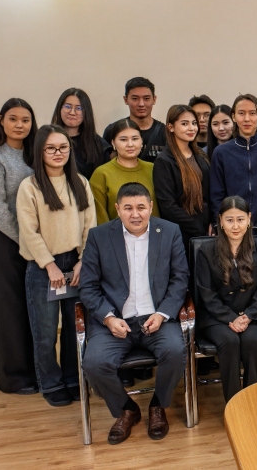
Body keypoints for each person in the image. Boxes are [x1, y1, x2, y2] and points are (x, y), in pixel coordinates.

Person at [79, 182, 188, 444]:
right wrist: (108, 318)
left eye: (141, 207)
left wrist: (162, 314)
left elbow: (180, 279)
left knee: (175, 351)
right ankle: (127, 409)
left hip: (157, 319)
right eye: (128, 208)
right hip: (115, 322)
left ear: (151, 207)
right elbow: (88, 287)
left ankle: (158, 404)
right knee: (94, 363)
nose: (135, 214)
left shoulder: (170, 231)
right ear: (118, 209)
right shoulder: (99, 236)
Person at [16, 124, 96, 407]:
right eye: (51, 148)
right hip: (43, 267)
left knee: (76, 329)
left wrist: (84, 260)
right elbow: (29, 231)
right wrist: (49, 265)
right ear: (40, 151)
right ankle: (50, 383)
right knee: (45, 332)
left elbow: (90, 225)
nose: (58, 153)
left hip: (75, 264)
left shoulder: (80, 182)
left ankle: (74, 379)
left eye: (63, 147)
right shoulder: (30, 187)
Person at [0, 98, 38, 395]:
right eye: (13, 119)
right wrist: (25, 239)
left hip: (34, 240)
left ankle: (37, 370)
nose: (19, 125)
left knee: (33, 308)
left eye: (25, 120)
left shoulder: (34, 155)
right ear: (2, 120)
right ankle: (14, 377)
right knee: (10, 309)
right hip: (7, 240)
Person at [195, 196, 257, 401]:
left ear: (249, 219)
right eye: (229, 220)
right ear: (220, 220)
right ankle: (234, 403)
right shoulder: (206, 251)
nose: (235, 226)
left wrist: (249, 316)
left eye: (240, 219)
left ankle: (253, 401)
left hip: (251, 313)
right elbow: (206, 293)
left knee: (252, 341)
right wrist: (230, 318)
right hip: (217, 316)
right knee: (229, 341)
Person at [209, 93, 257, 251]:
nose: (247, 119)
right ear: (234, 116)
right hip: (233, 231)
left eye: (252, 113)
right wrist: (220, 226)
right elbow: (216, 194)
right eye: (241, 113)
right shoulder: (222, 153)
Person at [153, 105, 211, 256]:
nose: (191, 128)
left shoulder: (200, 155)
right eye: (184, 123)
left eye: (194, 123)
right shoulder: (164, 161)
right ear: (171, 127)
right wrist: (197, 228)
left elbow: (208, 193)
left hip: (206, 229)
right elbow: (168, 206)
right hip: (181, 233)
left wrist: (212, 222)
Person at [90, 119, 158, 225]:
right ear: (113, 142)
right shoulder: (102, 174)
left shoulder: (154, 169)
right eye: (123, 139)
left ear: (141, 141)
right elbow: (100, 217)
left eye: (135, 139)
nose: (130, 144)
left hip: (155, 232)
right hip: (116, 234)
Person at [51, 88, 111, 179]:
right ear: (60, 108)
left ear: (86, 112)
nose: (72, 112)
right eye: (67, 106)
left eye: (79, 108)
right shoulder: (47, 140)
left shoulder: (99, 145)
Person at [102, 77, 166, 163]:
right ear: (126, 100)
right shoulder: (113, 130)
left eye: (146, 98)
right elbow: (106, 164)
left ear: (154, 100)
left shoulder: (166, 133)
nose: (141, 104)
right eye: (135, 99)